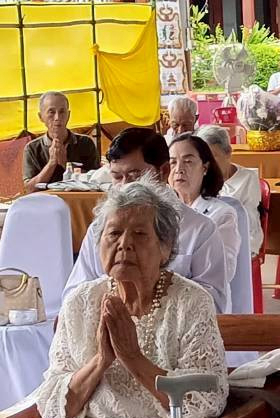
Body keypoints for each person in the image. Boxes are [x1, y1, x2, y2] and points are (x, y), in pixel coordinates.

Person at [1, 181, 228, 418]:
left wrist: (134, 358)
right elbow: (57, 402)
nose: (124, 244)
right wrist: (101, 361)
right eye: (113, 233)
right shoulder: (81, 302)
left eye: (139, 234)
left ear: (167, 247)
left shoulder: (190, 302)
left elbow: (208, 397)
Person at [62, 128, 228, 312]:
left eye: (134, 176)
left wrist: (149, 308)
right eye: (117, 177)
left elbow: (213, 305)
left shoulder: (199, 230)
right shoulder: (101, 229)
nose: (125, 186)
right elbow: (74, 295)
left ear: (163, 171)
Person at [170, 134, 242, 283]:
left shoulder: (222, 215)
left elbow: (223, 272)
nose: (179, 169)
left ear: (205, 167)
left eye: (188, 161)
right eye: (172, 162)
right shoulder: (159, 211)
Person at [198, 125, 263, 257]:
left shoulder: (248, 178)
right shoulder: (200, 177)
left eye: (213, 156)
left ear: (228, 153)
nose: (208, 164)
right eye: (204, 158)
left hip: (244, 239)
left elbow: (248, 223)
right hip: (209, 239)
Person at [22, 91, 101, 189]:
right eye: (51, 112)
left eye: (62, 111)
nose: (57, 117)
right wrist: (51, 163)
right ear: (41, 117)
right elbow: (29, 188)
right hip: (45, 203)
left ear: (68, 115)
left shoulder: (85, 143)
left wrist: (65, 164)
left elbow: (96, 180)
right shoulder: (32, 148)